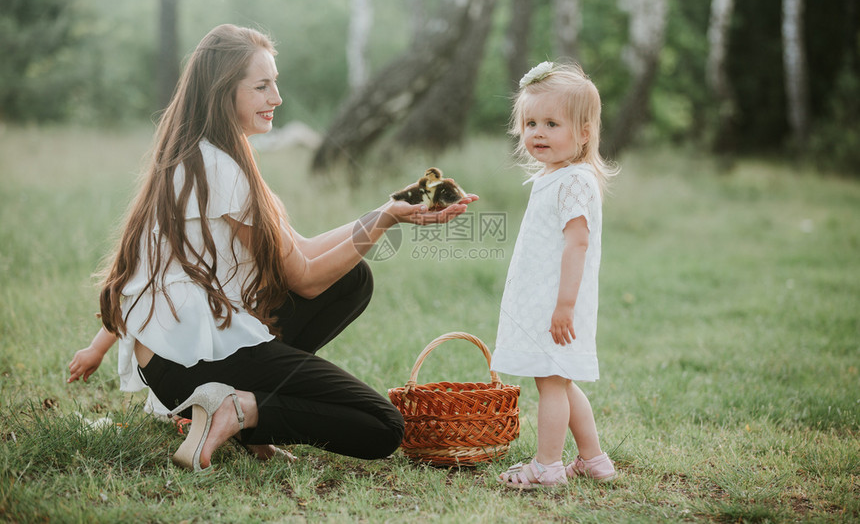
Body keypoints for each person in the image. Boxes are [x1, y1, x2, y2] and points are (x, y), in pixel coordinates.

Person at [67, 24, 478, 471]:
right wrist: (385, 222)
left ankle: (240, 414)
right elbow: (302, 275)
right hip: (192, 366)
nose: (276, 98)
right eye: (262, 86)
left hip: (172, 364)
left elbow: (297, 249)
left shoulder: (196, 156)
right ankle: (239, 411)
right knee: (383, 426)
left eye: (275, 84)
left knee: (352, 277)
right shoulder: (220, 170)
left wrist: (389, 207)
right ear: (224, 93)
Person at [492, 61, 617, 488]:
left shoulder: (575, 181)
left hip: (557, 302)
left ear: (584, 132)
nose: (537, 132)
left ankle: (547, 466)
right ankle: (593, 458)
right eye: (530, 123)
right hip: (547, 299)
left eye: (551, 123)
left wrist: (564, 305)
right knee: (559, 380)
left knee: (551, 384)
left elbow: (577, 243)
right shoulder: (555, 176)